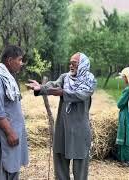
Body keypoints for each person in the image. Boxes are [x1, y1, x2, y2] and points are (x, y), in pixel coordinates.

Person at [26, 52, 97, 180]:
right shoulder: (65, 78)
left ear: (82, 65)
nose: (71, 66)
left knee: (80, 169)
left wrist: (62, 92)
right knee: (60, 166)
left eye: (74, 63)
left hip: (80, 129)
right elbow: (54, 84)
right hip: (62, 127)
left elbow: (78, 95)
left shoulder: (89, 82)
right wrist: (41, 88)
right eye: (70, 63)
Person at [0, 45, 29, 180]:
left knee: (12, 171)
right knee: (4, 172)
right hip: (4, 137)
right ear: (9, 60)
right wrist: (10, 132)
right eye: (19, 60)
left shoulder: (7, 77)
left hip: (11, 136)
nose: (22, 63)